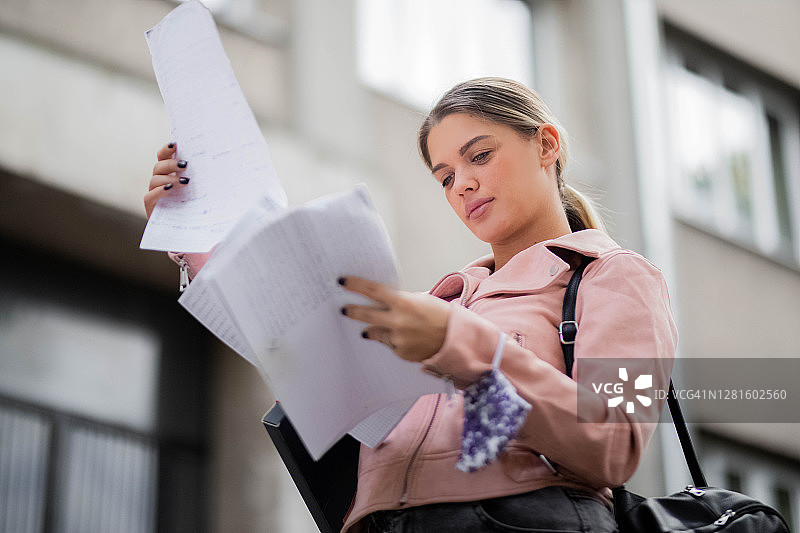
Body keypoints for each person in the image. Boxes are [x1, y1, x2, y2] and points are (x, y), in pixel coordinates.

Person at [145, 77, 676, 533]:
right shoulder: (435, 302)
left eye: (480, 156)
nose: (463, 183)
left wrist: (459, 344)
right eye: (445, 177)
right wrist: (193, 227)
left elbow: (616, 442)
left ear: (546, 145)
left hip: (519, 519)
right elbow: (284, 340)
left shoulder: (615, 276)